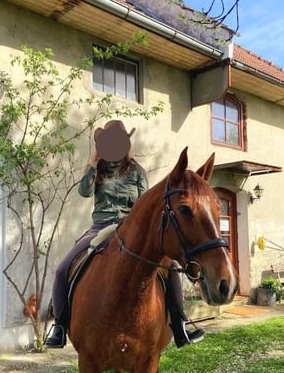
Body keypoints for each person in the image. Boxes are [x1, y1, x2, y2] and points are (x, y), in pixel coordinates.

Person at [44, 120, 205, 348]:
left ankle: (180, 325)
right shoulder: (97, 170)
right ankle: (59, 327)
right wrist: (92, 163)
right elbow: (84, 191)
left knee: (169, 269)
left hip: (131, 229)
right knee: (63, 269)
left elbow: (145, 204)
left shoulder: (137, 171)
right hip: (100, 228)